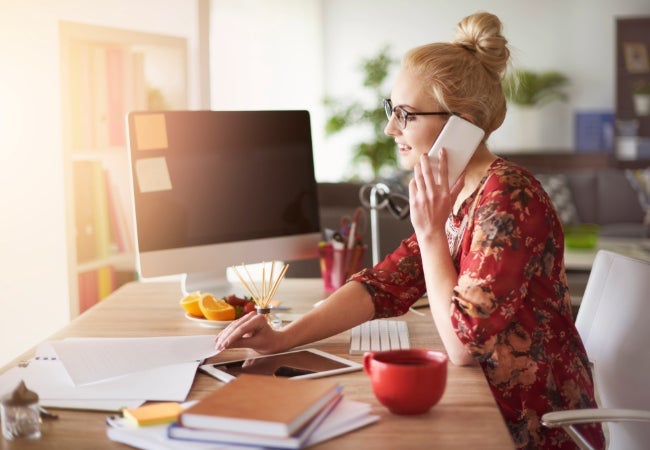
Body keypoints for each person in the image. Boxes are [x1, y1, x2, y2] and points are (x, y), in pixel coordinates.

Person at [215, 11, 605, 450]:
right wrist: (283, 338)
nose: (390, 128)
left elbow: (462, 346)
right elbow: (384, 284)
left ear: (462, 123)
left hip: (536, 424)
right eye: (391, 110)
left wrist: (431, 232)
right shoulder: (458, 193)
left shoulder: (510, 198)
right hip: (489, 404)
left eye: (406, 115)